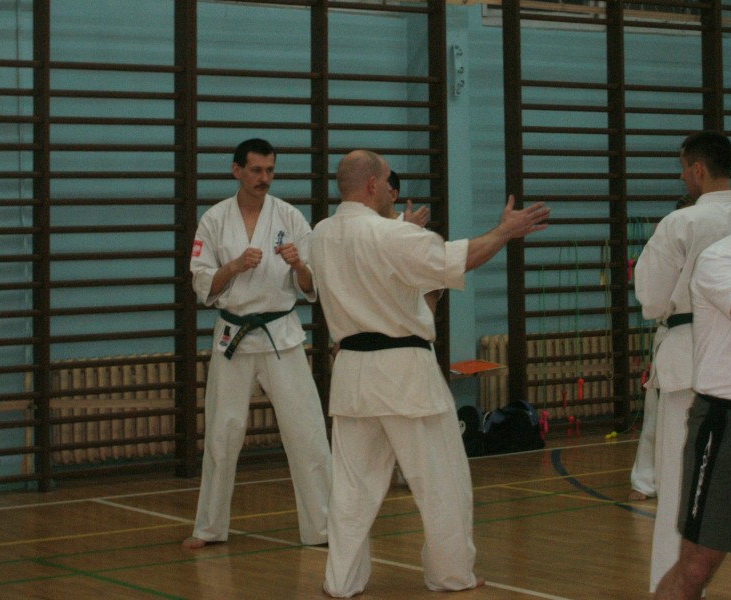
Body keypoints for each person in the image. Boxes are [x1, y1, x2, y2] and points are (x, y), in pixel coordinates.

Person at [310, 149, 550, 597]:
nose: (391, 189)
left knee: (351, 490)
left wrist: (406, 236)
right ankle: (450, 574)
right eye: (387, 181)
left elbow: (388, 274)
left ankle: (340, 581)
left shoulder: (320, 235)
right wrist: (504, 231)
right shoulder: (392, 235)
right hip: (404, 374)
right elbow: (460, 258)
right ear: (372, 185)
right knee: (442, 481)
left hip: (353, 375)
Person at [183, 138, 331, 549]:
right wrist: (233, 266)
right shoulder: (214, 220)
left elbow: (311, 285)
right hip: (233, 337)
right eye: (256, 170)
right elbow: (201, 283)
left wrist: (298, 265)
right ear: (237, 171)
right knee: (222, 434)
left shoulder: (289, 216)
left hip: (281, 335)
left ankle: (322, 528)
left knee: (306, 432)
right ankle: (210, 528)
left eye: (269, 170)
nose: (264, 178)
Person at [633, 131, 731, 592]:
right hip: (727, 404)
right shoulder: (723, 254)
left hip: (689, 351)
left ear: (697, 168)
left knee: (680, 497)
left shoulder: (682, 222)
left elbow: (651, 298)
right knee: (696, 552)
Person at [629, 195, 694, 503]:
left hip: (711, 334)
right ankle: (645, 480)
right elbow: (653, 298)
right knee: (657, 413)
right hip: (674, 331)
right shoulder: (667, 242)